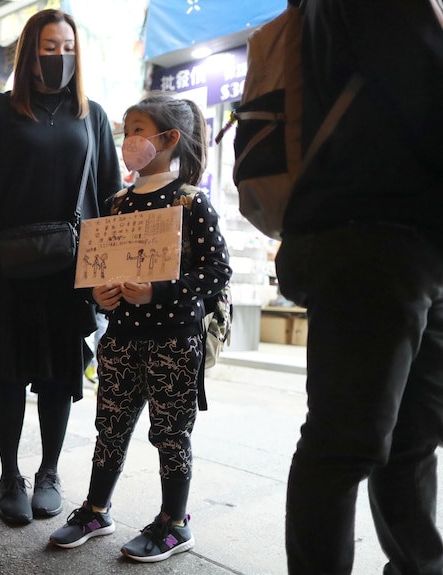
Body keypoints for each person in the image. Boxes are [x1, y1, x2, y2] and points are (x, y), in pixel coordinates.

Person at [274, 2, 443, 574]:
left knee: (411, 436)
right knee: (348, 444)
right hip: (371, 235)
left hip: (413, 238)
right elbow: (420, 78)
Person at [0, 9, 121, 524]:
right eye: (48, 46)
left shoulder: (94, 115)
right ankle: (9, 476)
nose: (58, 56)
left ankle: (49, 472)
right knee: (11, 375)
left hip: (70, 270)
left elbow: (108, 195)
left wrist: (114, 264)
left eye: (66, 47)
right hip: (10, 265)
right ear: (28, 50)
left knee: (59, 376)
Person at [47, 93, 231, 562]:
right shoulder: (117, 204)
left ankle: (175, 522)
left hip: (173, 340)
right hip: (122, 337)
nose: (128, 141)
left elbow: (215, 274)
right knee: (110, 426)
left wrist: (159, 291)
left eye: (137, 130)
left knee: (170, 432)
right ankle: (95, 509)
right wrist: (97, 293)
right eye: (126, 130)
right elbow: (94, 268)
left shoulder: (192, 203)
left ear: (168, 139)